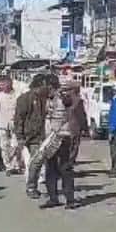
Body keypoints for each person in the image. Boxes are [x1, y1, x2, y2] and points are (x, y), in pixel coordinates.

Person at [33, 78, 86, 209]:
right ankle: (53, 198)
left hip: (63, 137)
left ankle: (70, 199)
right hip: (50, 137)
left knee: (65, 168)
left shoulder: (64, 98)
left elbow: (75, 109)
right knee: (50, 168)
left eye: (47, 88)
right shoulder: (47, 100)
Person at [13, 74, 49, 197]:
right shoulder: (24, 99)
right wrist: (20, 137)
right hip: (30, 136)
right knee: (36, 161)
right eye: (44, 85)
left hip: (42, 135)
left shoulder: (43, 98)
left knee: (39, 161)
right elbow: (19, 119)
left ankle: (36, 185)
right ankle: (31, 187)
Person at [0, 76, 19, 175]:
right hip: (2, 123)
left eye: (3, 84)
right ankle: (8, 166)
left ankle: (15, 164)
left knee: (15, 145)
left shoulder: (16, 94)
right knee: (4, 146)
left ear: (9, 83)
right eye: (0, 84)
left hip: (14, 123)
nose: (1, 86)